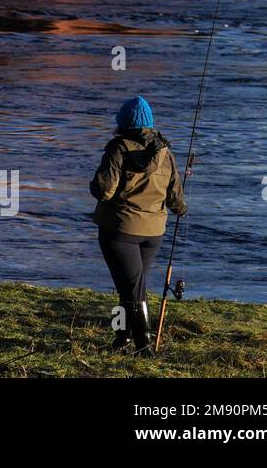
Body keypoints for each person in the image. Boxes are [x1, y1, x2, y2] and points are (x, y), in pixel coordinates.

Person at [90, 95, 187, 356]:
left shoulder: (118, 148)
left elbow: (104, 192)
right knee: (130, 286)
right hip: (154, 232)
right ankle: (121, 339)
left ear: (122, 122)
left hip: (119, 231)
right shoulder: (166, 152)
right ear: (150, 123)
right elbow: (176, 200)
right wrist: (181, 210)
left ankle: (144, 346)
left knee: (131, 289)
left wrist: (95, 185)